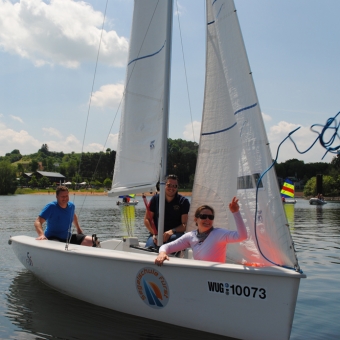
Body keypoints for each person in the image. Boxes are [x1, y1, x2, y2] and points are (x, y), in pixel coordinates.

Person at [155, 197, 247, 266]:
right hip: (199, 276)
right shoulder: (190, 236)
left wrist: (236, 212)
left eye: (210, 217)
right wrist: (162, 253)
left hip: (216, 279)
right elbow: (166, 246)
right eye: (203, 216)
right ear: (196, 219)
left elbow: (242, 236)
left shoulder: (219, 234)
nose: (207, 219)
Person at [144, 174, 190, 248]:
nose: (172, 188)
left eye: (175, 186)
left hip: (175, 234)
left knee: (171, 243)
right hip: (156, 234)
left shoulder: (183, 202)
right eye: (169, 185)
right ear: (164, 186)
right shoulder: (155, 199)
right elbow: (147, 219)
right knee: (149, 248)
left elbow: (185, 225)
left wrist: (172, 231)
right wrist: (155, 234)